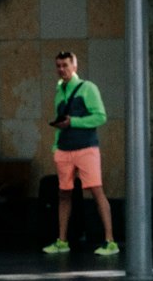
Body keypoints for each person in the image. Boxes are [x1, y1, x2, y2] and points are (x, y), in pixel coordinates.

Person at [43, 49, 119, 256]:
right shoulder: (59, 91)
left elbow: (100, 117)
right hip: (65, 149)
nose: (61, 70)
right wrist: (56, 146)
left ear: (74, 66)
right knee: (64, 194)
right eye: (58, 66)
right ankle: (62, 240)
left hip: (86, 148)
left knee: (96, 190)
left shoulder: (87, 88)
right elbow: (60, 122)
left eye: (65, 65)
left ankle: (110, 241)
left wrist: (74, 122)